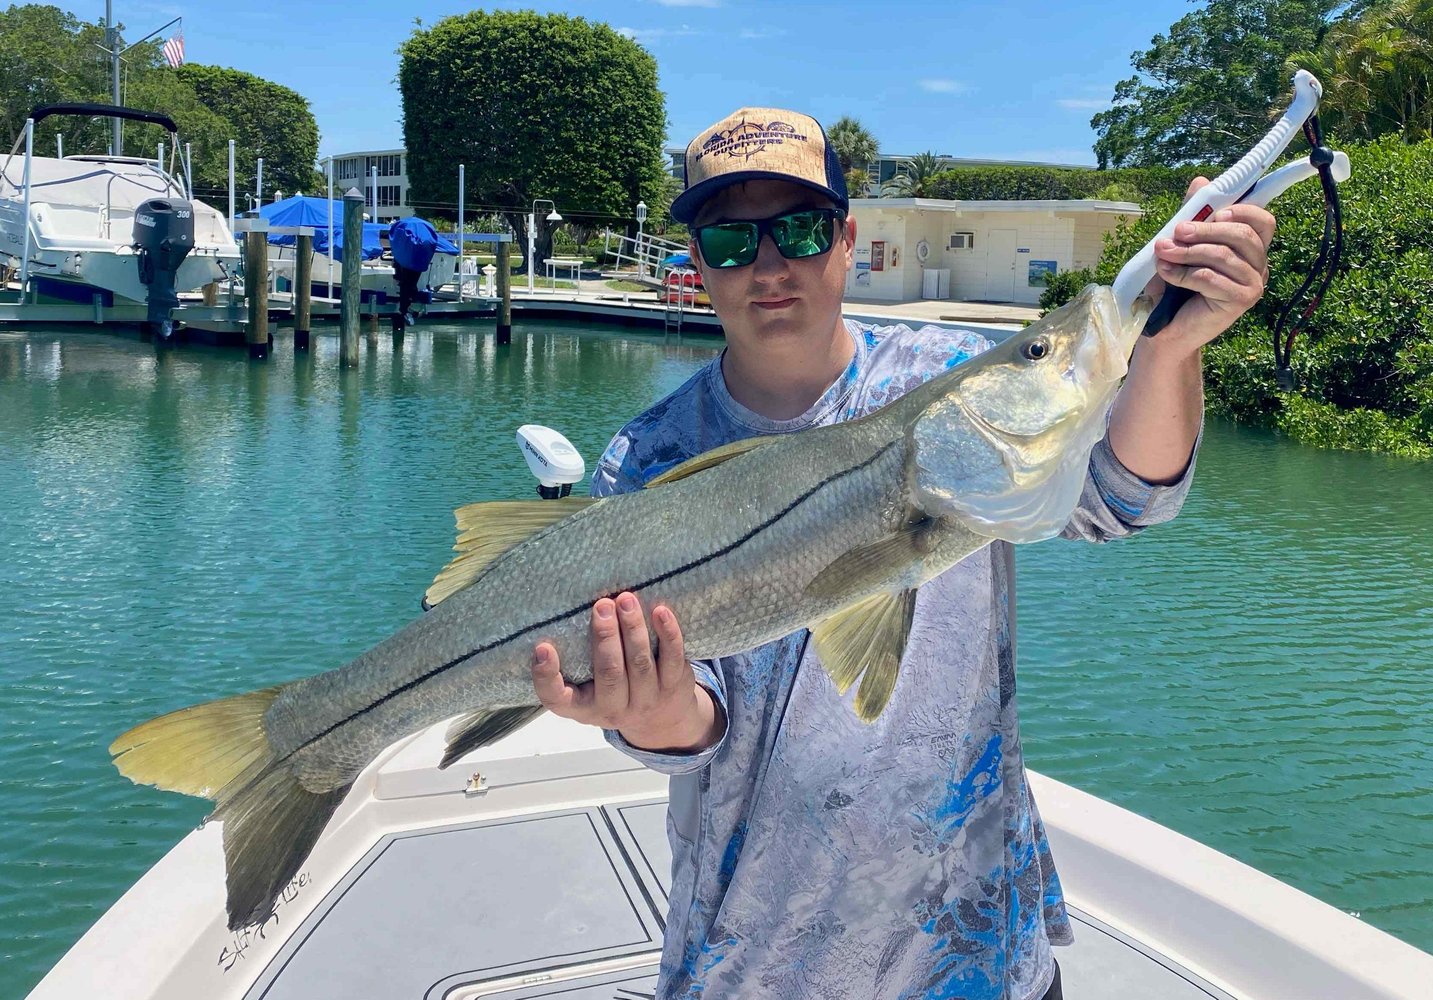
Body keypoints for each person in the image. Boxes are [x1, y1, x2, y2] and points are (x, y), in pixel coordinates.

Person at [529, 108, 1274, 999]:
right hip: (759, 957)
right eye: (731, 241)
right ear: (696, 263)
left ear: (846, 242)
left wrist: (1167, 351)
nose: (769, 266)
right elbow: (695, 724)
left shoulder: (943, 386)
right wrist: (649, 715)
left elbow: (1124, 498)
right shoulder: (647, 462)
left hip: (976, 951)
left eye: (799, 231)